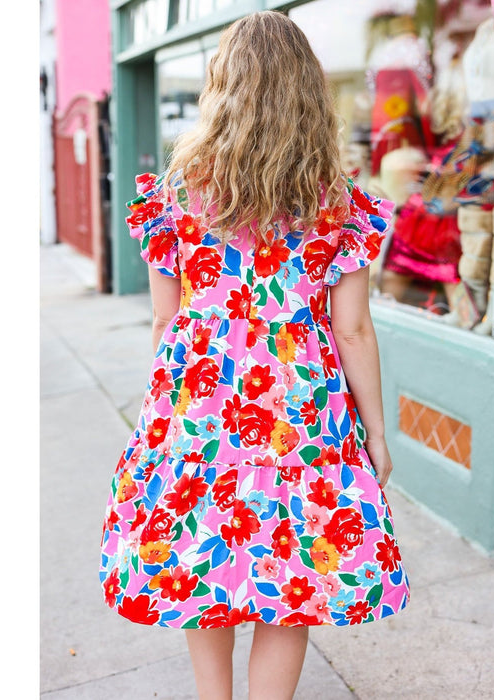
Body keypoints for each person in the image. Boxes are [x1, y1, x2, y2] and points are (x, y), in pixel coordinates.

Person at [99, 11, 410, 700]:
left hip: (198, 397)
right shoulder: (337, 202)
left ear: (221, 85)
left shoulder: (176, 195)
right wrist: (377, 435)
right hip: (301, 408)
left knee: (197, 554)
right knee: (290, 572)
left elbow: (164, 318)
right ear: (307, 91)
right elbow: (353, 329)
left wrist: (162, 416)